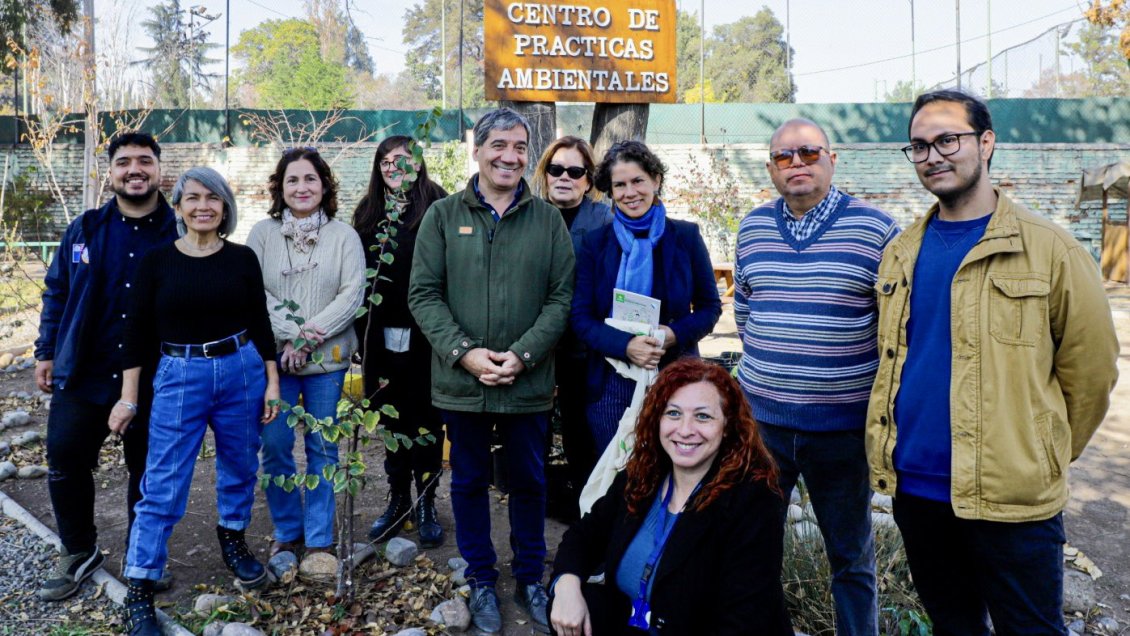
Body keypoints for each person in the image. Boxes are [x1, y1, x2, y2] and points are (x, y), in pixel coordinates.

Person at [867, 90, 1119, 635]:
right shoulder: (901, 251)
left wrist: (1041, 453)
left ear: (986, 143)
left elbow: (1092, 374)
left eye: (947, 140)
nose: (932, 155)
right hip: (918, 493)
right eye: (919, 146)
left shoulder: (1052, 249)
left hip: (1012, 501)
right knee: (955, 627)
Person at [409, 107, 575, 634]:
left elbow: (560, 298)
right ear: (477, 150)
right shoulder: (441, 216)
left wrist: (523, 356)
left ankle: (530, 578)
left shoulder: (547, 220)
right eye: (499, 145)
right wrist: (465, 353)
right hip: (463, 382)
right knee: (470, 481)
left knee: (530, 481)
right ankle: (481, 579)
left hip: (527, 383)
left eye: (521, 147)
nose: (510, 156)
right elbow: (424, 294)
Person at [733, 118, 899, 635]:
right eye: (784, 157)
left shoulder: (877, 231)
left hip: (842, 434)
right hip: (763, 429)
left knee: (850, 557)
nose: (796, 163)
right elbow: (745, 313)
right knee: (750, 550)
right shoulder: (753, 228)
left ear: (832, 158)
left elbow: (894, 331)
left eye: (808, 152)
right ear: (771, 169)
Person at [112, 167, 280, 636]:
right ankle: (141, 585)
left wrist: (271, 381)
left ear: (225, 206)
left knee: (241, 464)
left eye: (212, 197)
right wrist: (128, 399)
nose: (203, 205)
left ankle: (233, 538)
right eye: (192, 198)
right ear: (179, 206)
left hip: (241, 369)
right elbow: (135, 334)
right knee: (163, 479)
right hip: (179, 374)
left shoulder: (243, 258)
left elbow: (261, 323)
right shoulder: (156, 262)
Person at [548, 357, 793, 636]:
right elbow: (583, 536)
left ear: (728, 426)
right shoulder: (645, 475)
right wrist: (566, 587)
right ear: (657, 419)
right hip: (639, 623)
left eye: (703, 416)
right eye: (673, 413)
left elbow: (744, 620)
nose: (685, 430)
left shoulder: (752, 500)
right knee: (569, 609)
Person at [33, 132, 178, 601]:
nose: (134, 170)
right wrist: (46, 350)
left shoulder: (179, 231)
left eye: (144, 161)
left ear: (159, 169)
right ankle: (78, 550)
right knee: (65, 459)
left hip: (155, 378)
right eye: (123, 162)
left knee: (149, 471)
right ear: (110, 172)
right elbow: (57, 290)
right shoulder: (85, 229)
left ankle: (146, 555)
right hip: (85, 372)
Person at [246, 148, 366, 569]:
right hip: (275, 364)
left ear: (324, 185)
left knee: (323, 447)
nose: (302, 187)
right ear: (280, 187)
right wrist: (291, 338)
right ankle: (287, 530)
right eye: (293, 180)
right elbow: (255, 294)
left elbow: (352, 295)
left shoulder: (344, 237)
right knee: (275, 446)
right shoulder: (262, 234)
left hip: (328, 363)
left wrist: (308, 340)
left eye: (310, 179)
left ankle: (318, 539)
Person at [571, 140, 721, 456]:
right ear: (610, 192)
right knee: (618, 483)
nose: (630, 192)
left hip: (677, 377)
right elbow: (581, 317)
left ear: (655, 180)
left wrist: (673, 334)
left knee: (676, 474)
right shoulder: (596, 244)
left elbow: (710, 307)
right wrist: (626, 346)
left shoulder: (686, 237)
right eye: (620, 185)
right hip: (611, 382)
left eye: (638, 180)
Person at [353, 135, 449, 547]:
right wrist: (360, 334)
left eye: (403, 160)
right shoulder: (367, 213)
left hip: (428, 336)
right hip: (380, 338)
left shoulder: (439, 206)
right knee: (391, 419)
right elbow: (357, 281)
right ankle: (397, 499)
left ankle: (427, 501)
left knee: (426, 419)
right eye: (386, 161)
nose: (394, 167)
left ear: (418, 163)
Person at [532, 135, 611, 510]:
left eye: (575, 171)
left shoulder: (605, 220)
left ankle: (587, 510)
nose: (564, 177)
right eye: (556, 168)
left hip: (584, 346)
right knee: (534, 431)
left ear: (589, 179)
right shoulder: (527, 215)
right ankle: (537, 504)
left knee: (582, 431)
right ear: (545, 173)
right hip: (536, 345)